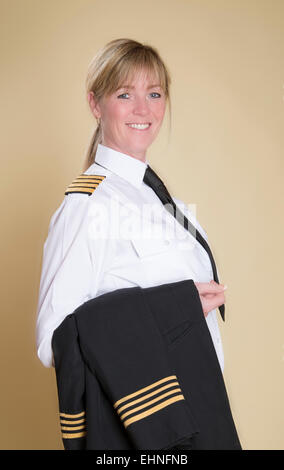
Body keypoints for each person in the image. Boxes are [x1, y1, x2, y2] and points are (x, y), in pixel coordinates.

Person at [36, 38, 226, 378]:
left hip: (198, 409)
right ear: (95, 104)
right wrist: (173, 310)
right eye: (125, 94)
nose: (143, 109)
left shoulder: (167, 202)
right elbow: (55, 340)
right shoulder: (88, 204)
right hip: (147, 422)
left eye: (154, 93)